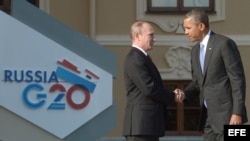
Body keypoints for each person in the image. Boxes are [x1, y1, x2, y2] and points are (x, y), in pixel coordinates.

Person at [177, 8, 248, 141]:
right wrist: (184, 94)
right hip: (208, 120)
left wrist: (237, 113)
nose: (185, 32)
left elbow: (237, 80)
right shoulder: (195, 51)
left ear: (201, 26)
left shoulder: (224, 44)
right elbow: (198, 83)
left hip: (230, 118)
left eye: (188, 28)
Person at [122, 21, 182, 141]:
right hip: (141, 127)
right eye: (151, 35)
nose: (154, 39)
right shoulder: (135, 58)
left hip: (146, 127)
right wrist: (173, 96)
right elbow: (149, 88)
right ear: (138, 36)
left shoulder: (142, 57)